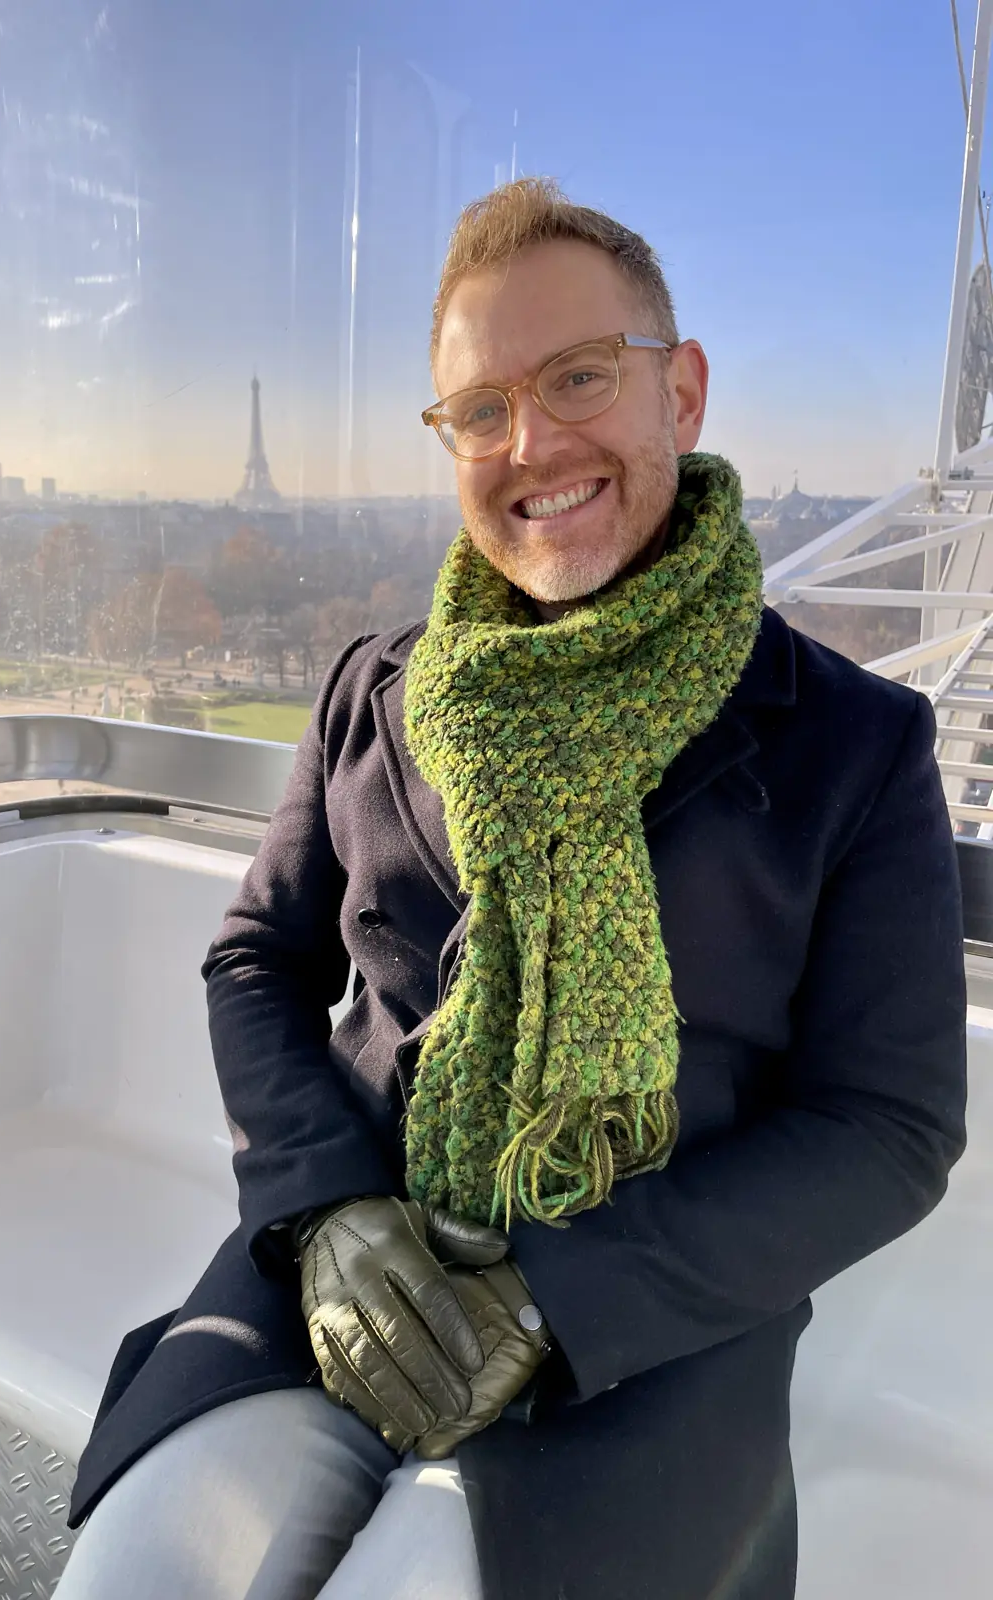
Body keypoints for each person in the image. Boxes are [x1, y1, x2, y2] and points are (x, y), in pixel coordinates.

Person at [55, 178, 967, 1600]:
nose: (533, 441)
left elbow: (890, 1126)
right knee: (141, 1574)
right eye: (482, 408)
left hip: (640, 1351)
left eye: (581, 376)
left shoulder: (849, 742)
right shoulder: (378, 688)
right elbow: (255, 958)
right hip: (331, 1288)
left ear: (686, 391)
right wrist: (327, 1209)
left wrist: (559, 1298)